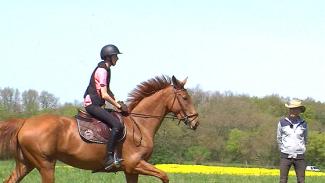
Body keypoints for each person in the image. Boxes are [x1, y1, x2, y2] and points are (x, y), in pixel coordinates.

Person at [83, 44, 128, 170]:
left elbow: (108, 91)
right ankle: (108, 158)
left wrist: (117, 103)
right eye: (115, 56)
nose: (117, 59)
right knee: (117, 125)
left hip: (97, 104)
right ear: (109, 57)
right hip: (92, 104)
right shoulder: (102, 71)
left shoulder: (107, 69)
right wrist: (118, 105)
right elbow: (104, 94)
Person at [277, 99, 308, 183]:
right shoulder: (282, 122)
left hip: (300, 156)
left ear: (299, 111)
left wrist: (302, 149)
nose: (292, 111)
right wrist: (284, 149)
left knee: (301, 180)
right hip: (285, 156)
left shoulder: (304, 123)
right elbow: (279, 138)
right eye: (291, 109)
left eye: (295, 109)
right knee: (283, 180)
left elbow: (305, 139)